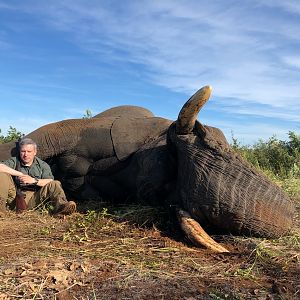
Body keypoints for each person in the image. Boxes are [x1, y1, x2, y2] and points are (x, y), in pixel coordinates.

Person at [0, 137, 76, 215]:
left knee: (55, 183)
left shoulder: (42, 165)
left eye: (29, 151)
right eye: (23, 151)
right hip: (14, 196)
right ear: (19, 151)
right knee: (2, 175)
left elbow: (50, 181)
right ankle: (1, 209)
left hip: (34, 198)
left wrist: (34, 180)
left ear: (35, 152)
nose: (26, 154)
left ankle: (61, 207)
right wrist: (20, 174)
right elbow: (0, 167)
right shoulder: (14, 161)